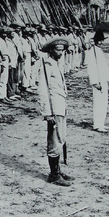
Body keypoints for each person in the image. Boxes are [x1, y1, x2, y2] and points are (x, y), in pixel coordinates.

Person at [38, 37, 73, 187]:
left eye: (62, 50)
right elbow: (43, 89)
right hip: (53, 107)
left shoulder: (56, 64)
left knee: (61, 137)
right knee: (55, 139)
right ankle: (53, 175)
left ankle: (57, 170)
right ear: (51, 50)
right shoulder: (47, 65)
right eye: (58, 50)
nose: (61, 52)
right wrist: (47, 112)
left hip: (60, 105)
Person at [86, 30, 109, 132]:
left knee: (104, 102)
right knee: (98, 102)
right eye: (98, 40)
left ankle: (101, 122)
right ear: (95, 41)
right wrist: (95, 82)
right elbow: (91, 68)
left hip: (103, 80)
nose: (100, 42)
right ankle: (97, 124)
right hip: (98, 82)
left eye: (101, 40)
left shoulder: (99, 51)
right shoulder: (92, 52)